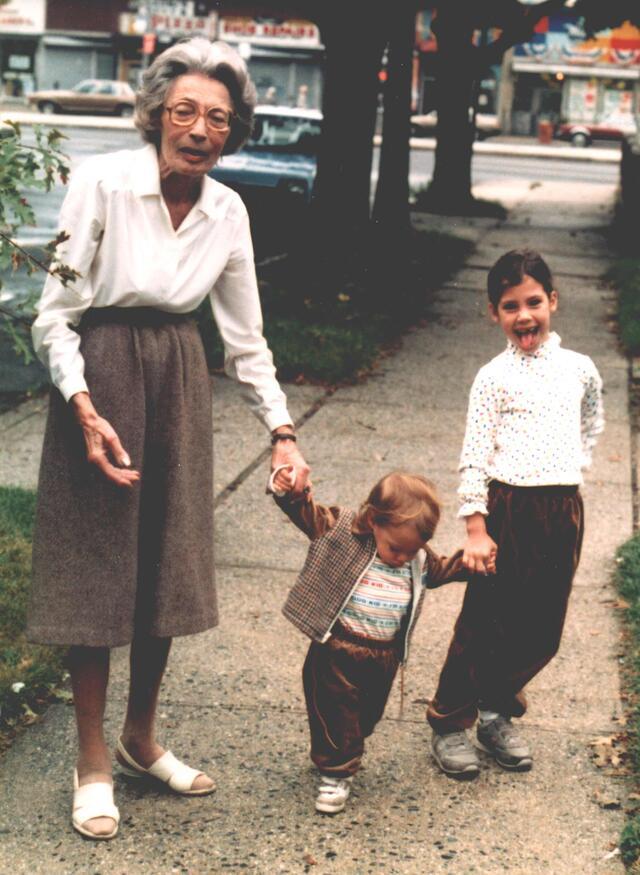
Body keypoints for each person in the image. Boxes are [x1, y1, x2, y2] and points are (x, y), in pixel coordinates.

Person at [27, 37, 309, 841]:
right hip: (103, 369)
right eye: (184, 110)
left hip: (179, 374)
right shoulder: (104, 183)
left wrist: (282, 430)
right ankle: (90, 760)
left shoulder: (228, 210)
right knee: (95, 561)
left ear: (232, 132)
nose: (199, 128)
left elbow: (247, 341)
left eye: (218, 117)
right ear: (155, 115)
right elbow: (55, 311)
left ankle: (140, 736)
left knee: (165, 561)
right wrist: (82, 404)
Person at [428, 249, 604, 777]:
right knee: (486, 621)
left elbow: (591, 422)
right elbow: (474, 455)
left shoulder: (580, 369)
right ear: (494, 314)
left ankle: (495, 710)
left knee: (542, 625)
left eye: (533, 302)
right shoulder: (492, 378)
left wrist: (576, 470)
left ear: (553, 301)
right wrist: (475, 528)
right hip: (507, 511)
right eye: (510, 307)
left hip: (562, 510)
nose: (523, 315)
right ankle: (450, 722)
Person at [269, 467, 472, 814]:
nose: (403, 558)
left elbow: (440, 569)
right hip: (336, 648)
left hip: (383, 656)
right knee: (335, 710)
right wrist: (290, 493)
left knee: (365, 718)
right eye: (396, 549)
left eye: (413, 550)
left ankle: (341, 749)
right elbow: (307, 515)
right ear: (374, 520)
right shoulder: (342, 531)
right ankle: (337, 772)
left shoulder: (417, 557)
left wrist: (471, 563)